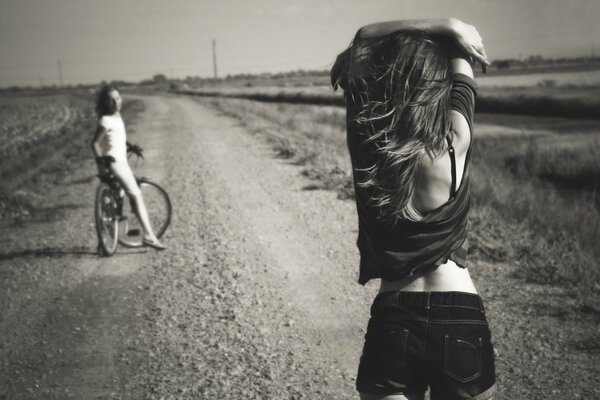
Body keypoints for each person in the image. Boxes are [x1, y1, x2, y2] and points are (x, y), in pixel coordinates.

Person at [331, 18, 496, 400]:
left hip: (394, 313)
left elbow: (362, 38)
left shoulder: (368, 143)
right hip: (460, 312)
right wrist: (453, 29)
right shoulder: (456, 139)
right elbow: (463, 53)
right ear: (437, 85)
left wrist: (444, 25)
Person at [91, 85, 166, 252]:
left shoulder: (117, 117)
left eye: (117, 98)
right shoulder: (106, 119)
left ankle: (103, 241)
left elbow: (117, 138)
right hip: (114, 161)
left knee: (117, 195)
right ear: (105, 103)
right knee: (136, 193)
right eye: (111, 100)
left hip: (118, 160)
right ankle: (148, 235)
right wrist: (101, 161)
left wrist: (130, 147)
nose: (115, 102)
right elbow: (95, 143)